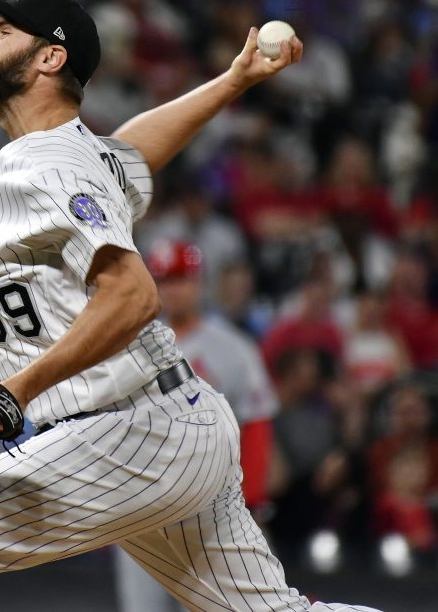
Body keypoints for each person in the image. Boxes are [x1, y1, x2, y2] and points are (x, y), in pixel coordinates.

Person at [0, 0, 378, 611]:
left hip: (130, 428)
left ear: (49, 59)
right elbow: (133, 151)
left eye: (2, 29)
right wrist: (233, 81)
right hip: (170, 420)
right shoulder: (76, 154)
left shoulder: (47, 166)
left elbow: (133, 297)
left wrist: (12, 393)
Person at [116, 239, 279, 612]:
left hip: (214, 510)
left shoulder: (234, 349)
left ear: (199, 283)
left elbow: (256, 424)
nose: (173, 290)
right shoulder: (127, 348)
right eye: (164, 280)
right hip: (145, 511)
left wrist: (251, 502)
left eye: (181, 279)